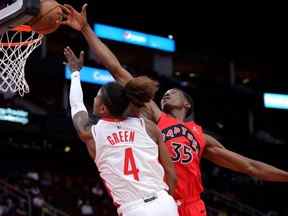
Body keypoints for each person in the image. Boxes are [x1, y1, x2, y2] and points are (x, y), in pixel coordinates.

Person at [60, 5, 288, 216]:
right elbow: (116, 69)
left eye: (174, 91)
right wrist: (86, 30)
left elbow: (250, 166)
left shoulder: (202, 138)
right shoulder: (153, 118)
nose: (167, 93)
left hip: (189, 206)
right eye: (165, 92)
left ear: (187, 104)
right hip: (161, 200)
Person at [64, 46, 178, 216]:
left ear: (102, 109)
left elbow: (77, 106)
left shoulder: (93, 134)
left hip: (135, 209)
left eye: (96, 96)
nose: (94, 98)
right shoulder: (148, 127)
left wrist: (75, 73)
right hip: (165, 203)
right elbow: (171, 174)